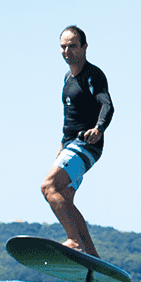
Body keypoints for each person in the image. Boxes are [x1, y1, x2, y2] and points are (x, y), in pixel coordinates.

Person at [41, 26, 113, 256]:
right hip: (71, 145)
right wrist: (61, 146)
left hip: (87, 144)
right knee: (65, 200)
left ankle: (74, 241)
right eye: (63, 46)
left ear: (84, 47)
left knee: (48, 186)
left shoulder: (93, 75)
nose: (67, 51)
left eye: (72, 45)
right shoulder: (67, 78)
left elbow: (106, 104)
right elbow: (68, 119)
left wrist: (99, 128)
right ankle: (91, 254)